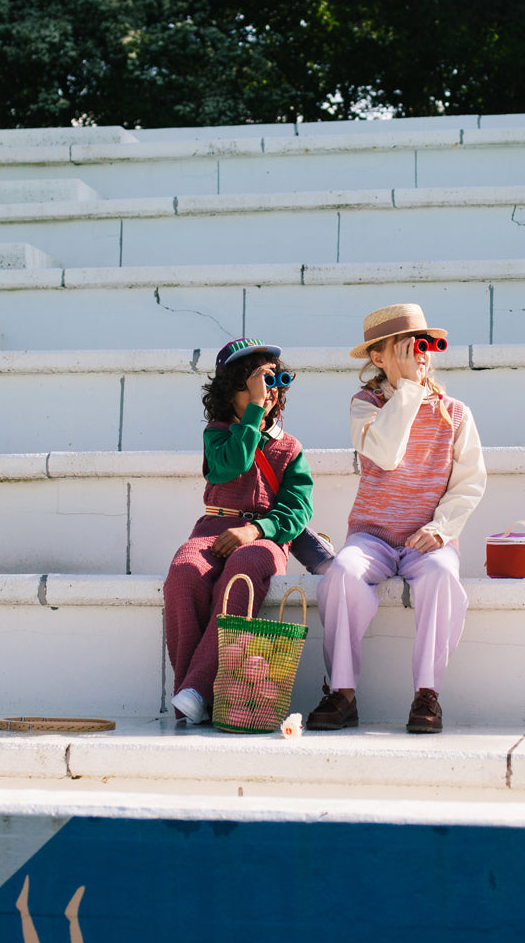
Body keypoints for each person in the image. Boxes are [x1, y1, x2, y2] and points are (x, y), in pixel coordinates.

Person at [308, 303, 486, 733]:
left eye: (425, 346)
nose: (421, 355)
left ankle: (428, 693)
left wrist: (441, 529)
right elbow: (386, 454)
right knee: (342, 576)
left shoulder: (454, 412)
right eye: (408, 347)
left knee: (443, 577)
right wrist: (407, 389)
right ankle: (343, 692)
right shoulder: (365, 405)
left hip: (427, 537)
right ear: (379, 357)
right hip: (373, 535)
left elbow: (470, 481)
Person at [164, 338, 324, 725]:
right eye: (252, 384)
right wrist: (253, 412)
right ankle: (192, 689)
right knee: (185, 573)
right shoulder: (217, 434)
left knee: (243, 570)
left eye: (271, 383)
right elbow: (229, 466)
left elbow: (298, 508)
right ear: (230, 391)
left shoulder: (289, 448)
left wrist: (256, 530)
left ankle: (197, 690)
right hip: (213, 526)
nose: (265, 393)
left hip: (265, 538)